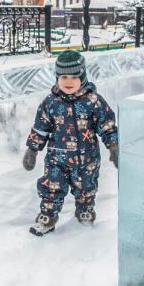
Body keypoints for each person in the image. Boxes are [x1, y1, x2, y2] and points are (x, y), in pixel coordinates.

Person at [22, 50, 118, 236]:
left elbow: (107, 125)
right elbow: (41, 127)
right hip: (57, 158)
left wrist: (113, 145)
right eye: (64, 76)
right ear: (57, 77)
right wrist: (32, 149)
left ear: (82, 77)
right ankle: (47, 217)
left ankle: (85, 211)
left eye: (74, 77)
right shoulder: (50, 102)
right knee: (51, 187)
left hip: (86, 159)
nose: (68, 81)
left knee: (86, 187)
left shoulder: (93, 101)